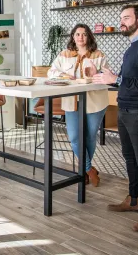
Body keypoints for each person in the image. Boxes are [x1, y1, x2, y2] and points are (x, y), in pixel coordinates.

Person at [93, 4, 138, 232]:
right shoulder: (132, 46)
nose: (121, 21)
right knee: (130, 158)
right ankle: (134, 200)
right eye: (121, 17)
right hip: (125, 109)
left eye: (126, 17)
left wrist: (118, 79)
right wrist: (108, 78)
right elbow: (129, 79)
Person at [47, 23, 109, 187]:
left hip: (95, 101)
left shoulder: (98, 55)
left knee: (88, 137)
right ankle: (89, 169)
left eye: (84, 34)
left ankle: (83, 172)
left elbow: (107, 76)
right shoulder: (64, 55)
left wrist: (98, 73)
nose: (81, 37)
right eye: (77, 34)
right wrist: (64, 75)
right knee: (75, 137)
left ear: (89, 37)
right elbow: (51, 72)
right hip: (72, 101)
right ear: (73, 37)